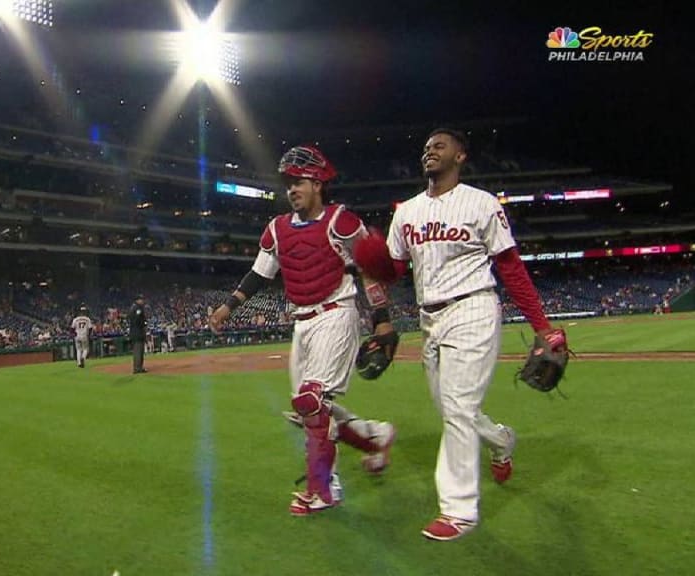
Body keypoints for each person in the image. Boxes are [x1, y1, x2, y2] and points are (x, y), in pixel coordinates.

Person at [376, 128, 568, 541]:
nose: (430, 150)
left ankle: (459, 510)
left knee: (459, 408)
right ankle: (502, 441)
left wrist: (542, 326)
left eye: (439, 145)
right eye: (426, 146)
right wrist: (372, 261)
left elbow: (511, 267)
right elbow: (392, 272)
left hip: (473, 306)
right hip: (429, 319)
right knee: (453, 411)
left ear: (461, 156)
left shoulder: (481, 203)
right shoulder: (406, 211)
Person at [208, 145, 397, 516]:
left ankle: (322, 489)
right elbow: (260, 273)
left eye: (299, 182)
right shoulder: (277, 229)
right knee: (306, 411)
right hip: (302, 321)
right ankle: (374, 436)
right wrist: (228, 306)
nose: (291, 189)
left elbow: (370, 271)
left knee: (312, 402)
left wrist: (382, 321)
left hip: (336, 313)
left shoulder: (341, 222)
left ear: (318, 184)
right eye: (288, 183)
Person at [129, 294, 147, 373]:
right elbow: (137, 320)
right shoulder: (137, 308)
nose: (142, 301)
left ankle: (139, 367)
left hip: (137, 331)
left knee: (140, 350)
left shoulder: (134, 307)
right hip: (137, 332)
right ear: (137, 300)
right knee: (138, 350)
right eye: (141, 299)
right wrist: (144, 324)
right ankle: (137, 368)